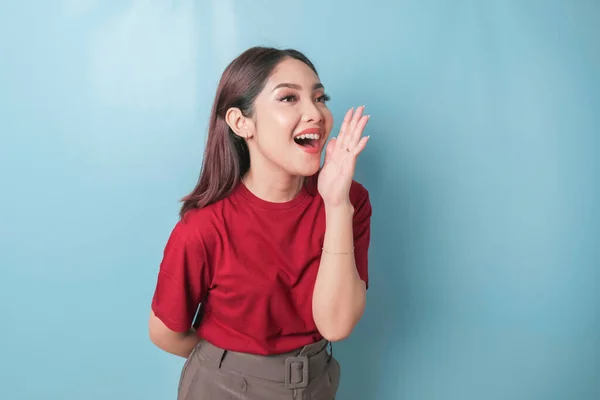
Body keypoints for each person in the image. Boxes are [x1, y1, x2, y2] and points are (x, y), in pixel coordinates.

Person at [148, 46, 372, 400]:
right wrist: (233, 368)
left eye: (319, 98)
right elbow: (165, 333)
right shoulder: (204, 227)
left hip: (317, 384)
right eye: (288, 98)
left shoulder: (348, 200)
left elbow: (336, 324)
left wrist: (336, 203)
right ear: (242, 123)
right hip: (223, 387)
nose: (314, 112)